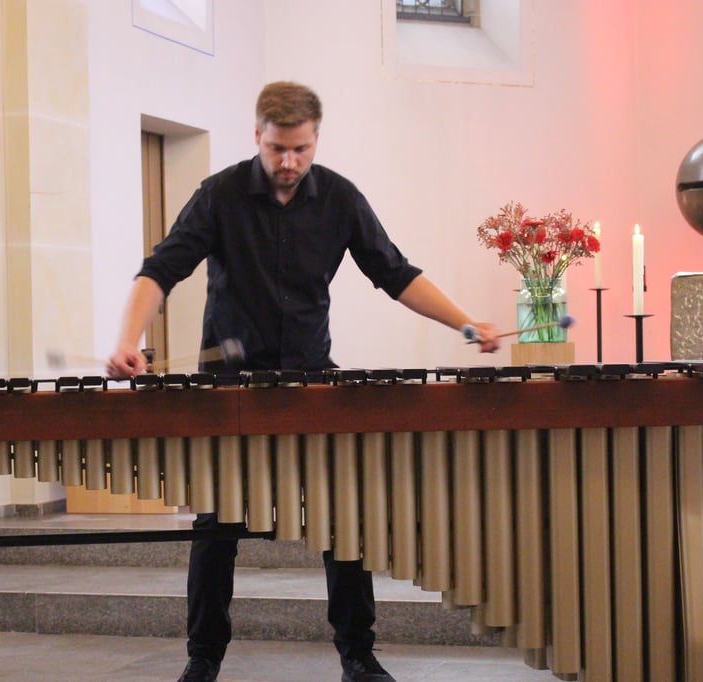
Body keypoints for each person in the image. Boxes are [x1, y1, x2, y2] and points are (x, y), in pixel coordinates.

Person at [108, 81, 499, 682]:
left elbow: (394, 273)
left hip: (312, 383)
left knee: (347, 520)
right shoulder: (219, 196)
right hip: (231, 388)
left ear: (316, 140)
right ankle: (203, 659)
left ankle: (358, 656)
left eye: (301, 150)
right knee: (216, 529)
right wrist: (128, 341)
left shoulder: (340, 198)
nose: (288, 163)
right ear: (256, 136)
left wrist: (467, 322)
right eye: (276, 150)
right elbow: (160, 270)